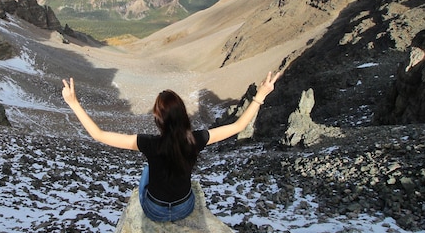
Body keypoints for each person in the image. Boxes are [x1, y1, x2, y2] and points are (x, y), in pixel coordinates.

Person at [61, 71, 281, 222]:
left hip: (154, 211)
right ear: (183, 114)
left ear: (158, 118)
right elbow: (238, 126)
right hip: (185, 208)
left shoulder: (148, 144)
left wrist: (73, 103)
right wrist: (260, 95)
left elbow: (98, 135)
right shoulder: (197, 139)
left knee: (147, 170)